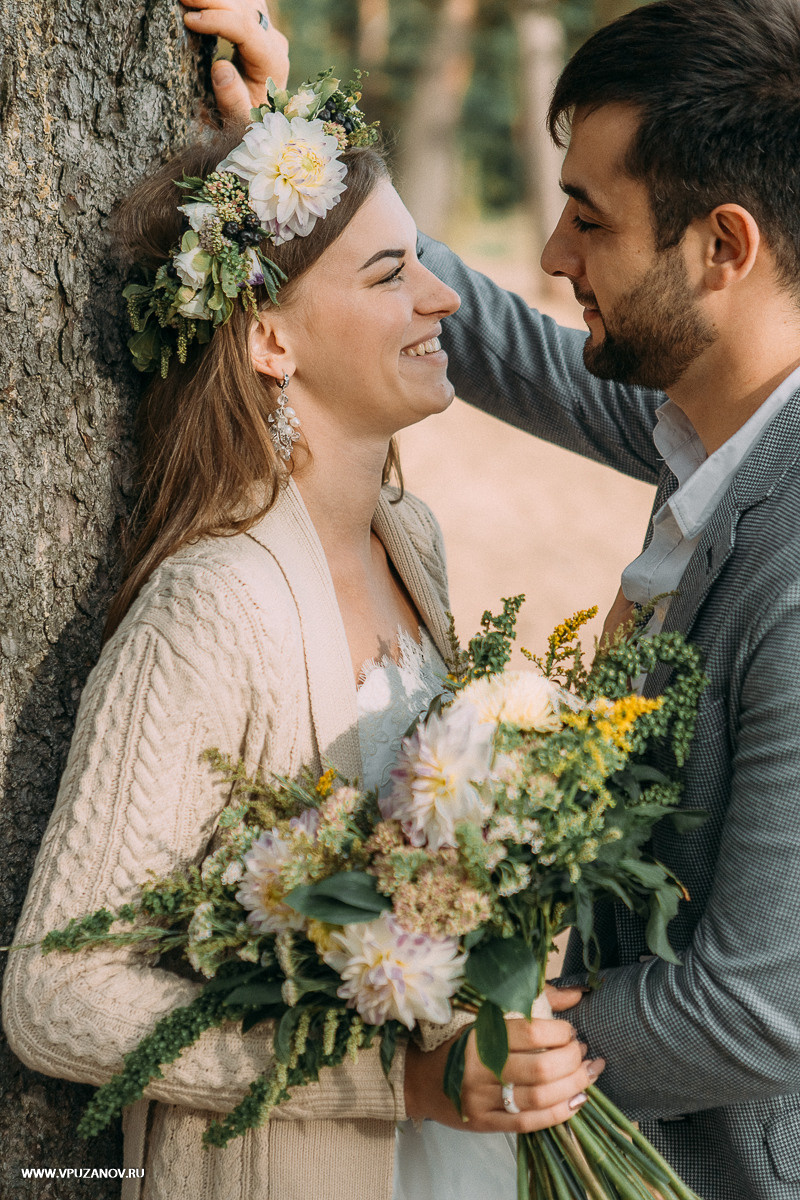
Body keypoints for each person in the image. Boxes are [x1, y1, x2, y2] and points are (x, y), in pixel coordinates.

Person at [202, 0, 800, 1197]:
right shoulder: (705, 418)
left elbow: (758, 1010)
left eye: (589, 219)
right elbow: (497, 343)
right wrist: (291, 147)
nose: (553, 255)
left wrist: (453, 1039)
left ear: (720, 248)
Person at [1, 84, 601, 1200]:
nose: (442, 298)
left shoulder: (409, 541)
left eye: (420, 262)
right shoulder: (210, 607)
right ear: (269, 338)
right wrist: (389, 1081)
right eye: (389, 275)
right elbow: (54, 995)